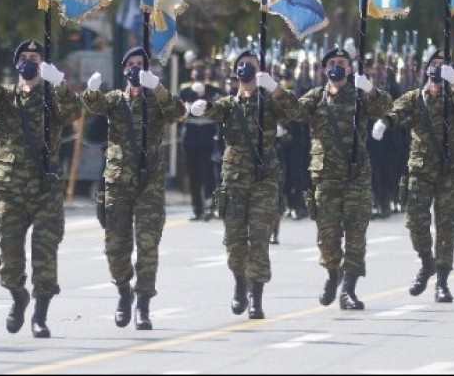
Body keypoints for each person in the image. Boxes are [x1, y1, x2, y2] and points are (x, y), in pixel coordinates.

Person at [0, 40, 80, 338]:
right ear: (17, 63)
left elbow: (73, 112)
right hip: (11, 188)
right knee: (9, 254)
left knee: (44, 253)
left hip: (45, 188)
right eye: (25, 57)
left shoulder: (52, 97)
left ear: (43, 64)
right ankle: (18, 296)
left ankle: (40, 315)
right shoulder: (6, 96)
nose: (29, 62)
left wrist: (61, 84)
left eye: (35, 58)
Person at [189, 49, 302, 320]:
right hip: (235, 182)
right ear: (235, 71)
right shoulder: (230, 103)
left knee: (260, 240)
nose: (246, 69)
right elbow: (213, 109)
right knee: (235, 242)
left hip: (265, 179)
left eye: (251, 64)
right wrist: (200, 107)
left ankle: (257, 297)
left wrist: (275, 89)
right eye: (241, 64)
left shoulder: (270, 102)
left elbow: (295, 112)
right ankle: (241, 283)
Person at [83, 47, 186, 330]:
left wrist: (159, 88)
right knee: (115, 247)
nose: (135, 69)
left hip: (149, 182)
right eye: (131, 64)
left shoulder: (156, 100)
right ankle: (123, 291)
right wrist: (91, 91)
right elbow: (94, 106)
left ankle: (143, 304)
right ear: (124, 68)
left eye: (141, 65)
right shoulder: (115, 100)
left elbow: (179, 112)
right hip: (118, 182)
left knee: (148, 244)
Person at [372, 50, 454, 303]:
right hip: (421, 170)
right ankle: (427, 261)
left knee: (446, 226)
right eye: (434, 64)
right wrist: (384, 123)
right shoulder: (416, 98)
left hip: (449, 172)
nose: (438, 69)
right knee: (415, 221)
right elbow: (397, 110)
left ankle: (442, 281)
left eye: (443, 65)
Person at [298, 47, 393, 310]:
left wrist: (370, 88)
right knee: (327, 237)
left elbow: (387, 106)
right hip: (325, 177)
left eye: (342, 62)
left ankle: (348, 289)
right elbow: (294, 112)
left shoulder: (360, 96)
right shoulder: (316, 97)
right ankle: (332, 274)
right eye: (332, 62)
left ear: (350, 69)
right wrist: (271, 89)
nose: (337, 66)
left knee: (356, 235)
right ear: (324, 68)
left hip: (356, 177)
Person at [179, 60, 222, 221]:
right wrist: (190, 104)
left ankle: (210, 206)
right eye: (195, 71)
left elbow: (218, 109)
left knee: (208, 175)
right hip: (191, 140)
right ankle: (197, 209)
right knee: (194, 176)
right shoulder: (185, 91)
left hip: (207, 140)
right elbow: (178, 111)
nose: (198, 74)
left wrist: (205, 99)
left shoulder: (213, 90)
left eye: (201, 71)